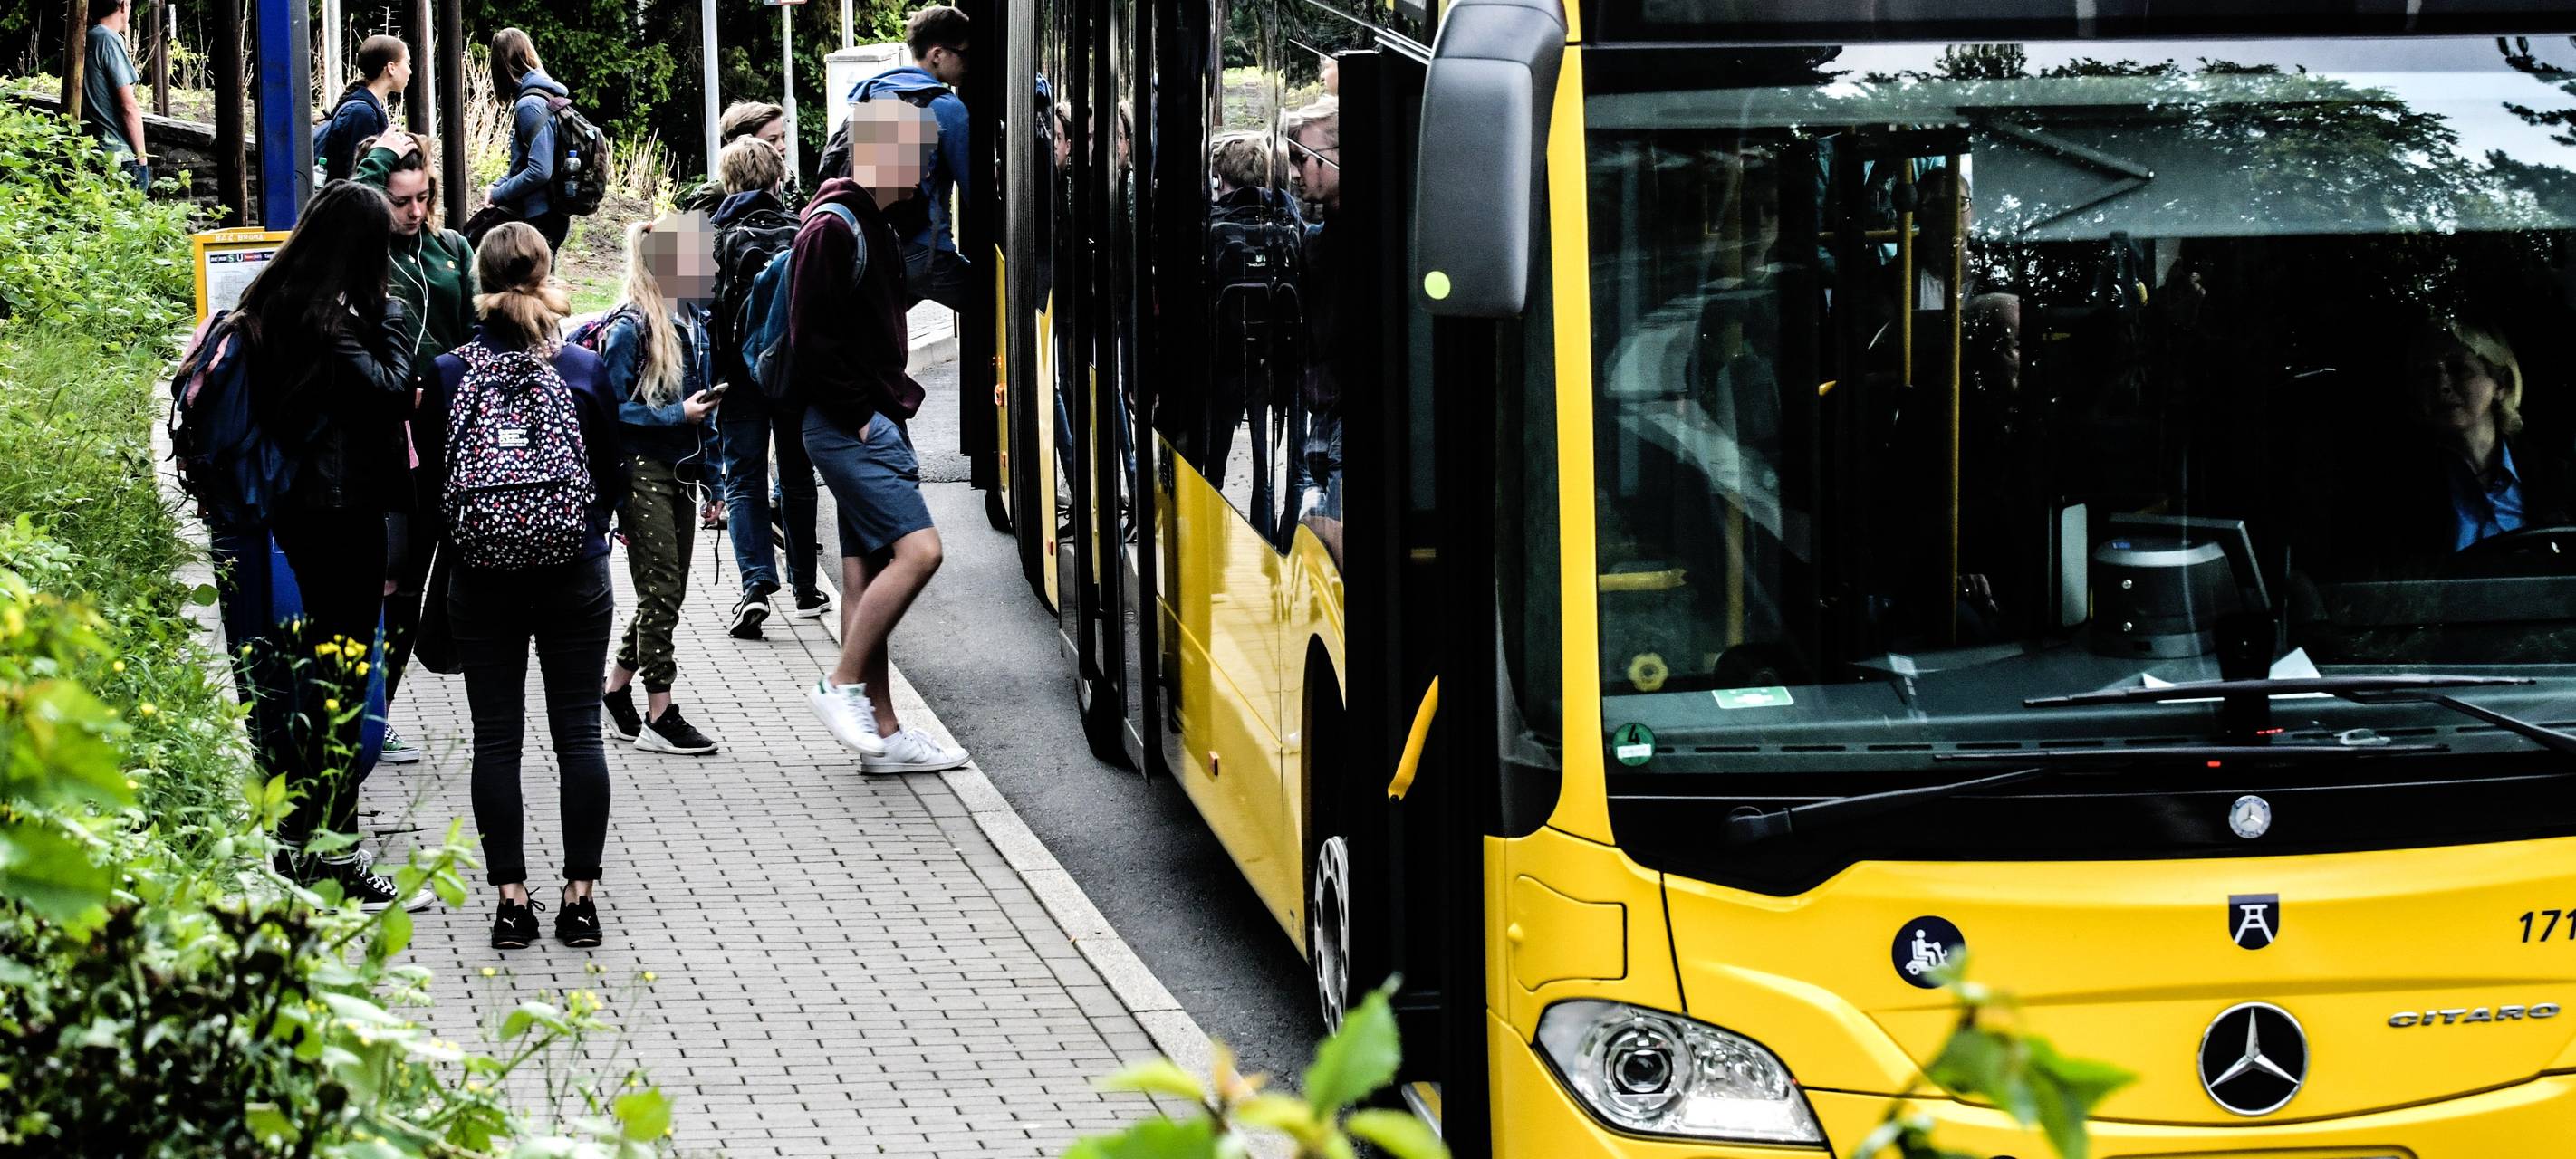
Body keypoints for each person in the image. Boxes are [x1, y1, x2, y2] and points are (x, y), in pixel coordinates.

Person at [416, 222, 624, 950]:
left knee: (497, 740)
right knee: (578, 735)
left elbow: (431, 483)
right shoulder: (583, 368)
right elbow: (611, 470)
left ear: (479, 280)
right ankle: (580, 898)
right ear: (545, 274)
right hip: (575, 572)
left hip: (481, 577)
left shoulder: (447, 373)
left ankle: (511, 900)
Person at [225, 181, 427, 910]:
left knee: (323, 673)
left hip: (303, 513)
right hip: (340, 513)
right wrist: (396, 325)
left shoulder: (274, 303)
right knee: (342, 685)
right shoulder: (335, 321)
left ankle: (301, 841)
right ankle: (331, 855)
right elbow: (388, 390)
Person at [793, 100, 969, 774]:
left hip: (865, 421)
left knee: (865, 578)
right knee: (920, 553)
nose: (928, 167)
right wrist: (863, 415)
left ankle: (888, 736)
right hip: (851, 429)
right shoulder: (833, 228)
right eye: (920, 154)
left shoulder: (873, 223)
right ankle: (838, 686)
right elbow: (809, 341)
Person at [352, 129, 476, 763]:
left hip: (448, 437)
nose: (413, 211)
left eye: (422, 198)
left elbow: (480, 325)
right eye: (400, 200)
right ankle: (372, 712)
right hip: (389, 441)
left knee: (447, 577)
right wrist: (376, 160)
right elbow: (343, 199)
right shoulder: (365, 251)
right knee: (391, 583)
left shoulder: (452, 249)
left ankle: (401, 698)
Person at [599, 213, 725, 755]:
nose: (715, 267)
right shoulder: (632, 327)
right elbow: (607, 411)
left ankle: (614, 689)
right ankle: (661, 711)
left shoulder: (694, 322)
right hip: (641, 471)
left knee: (663, 591)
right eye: (705, 257)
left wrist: (717, 484)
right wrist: (678, 417)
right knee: (663, 591)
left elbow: (709, 412)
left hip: (683, 470)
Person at [709, 136, 831, 638]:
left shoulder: (709, 232)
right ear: (778, 179)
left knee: (744, 480)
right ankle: (806, 589)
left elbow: (695, 314)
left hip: (737, 377)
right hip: (791, 371)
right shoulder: (802, 230)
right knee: (798, 478)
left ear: (728, 181)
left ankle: (756, 585)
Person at [823, 5, 973, 311]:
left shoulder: (877, 94)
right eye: (964, 53)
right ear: (937, 55)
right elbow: (975, 190)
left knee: (879, 336)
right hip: (925, 254)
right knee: (998, 303)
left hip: (878, 246)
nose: (969, 64)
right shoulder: (948, 109)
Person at [2400, 322, 2571, 554]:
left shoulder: (2558, 479)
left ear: (2500, 383)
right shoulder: (2399, 490)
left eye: (2458, 369)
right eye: (2427, 373)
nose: (2442, 385)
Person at [483, 28, 572, 251]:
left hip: (541, 216)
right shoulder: (543, 95)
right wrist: (498, 185)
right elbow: (526, 162)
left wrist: (498, 194)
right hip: (546, 212)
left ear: (500, 66)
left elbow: (540, 170)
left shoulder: (530, 105)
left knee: (533, 284)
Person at [315, 35, 411, 182]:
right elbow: (358, 177)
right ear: (391, 67)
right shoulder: (363, 113)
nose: (410, 71)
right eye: (407, 63)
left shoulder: (360, 107)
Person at [680, 101, 798, 215]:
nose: (783, 146)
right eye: (772, 140)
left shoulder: (787, 182)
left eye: (783, 137)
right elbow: (686, 234)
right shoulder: (715, 194)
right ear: (742, 145)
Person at [81, 0, 149, 188]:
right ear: (123, 5)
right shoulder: (108, 39)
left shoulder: (88, 37)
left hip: (90, 151)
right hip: (118, 156)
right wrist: (142, 160)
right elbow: (128, 107)